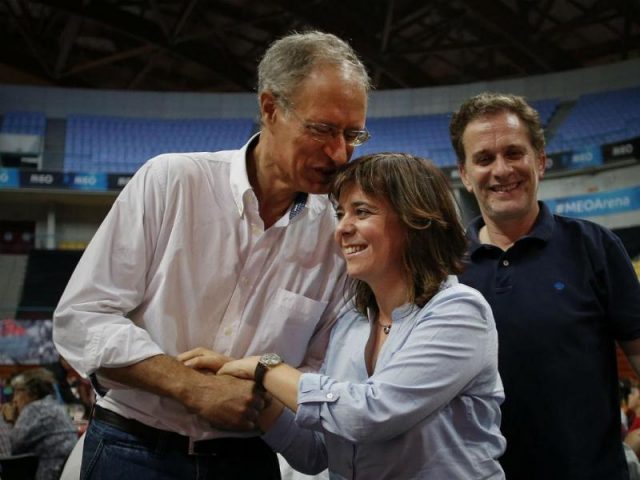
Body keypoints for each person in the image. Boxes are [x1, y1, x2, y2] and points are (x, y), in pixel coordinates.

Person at [53, 30, 371, 479]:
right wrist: (191, 387)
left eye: (353, 134)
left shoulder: (337, 236)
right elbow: (82, 318)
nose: (340, 153)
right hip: (132, 447)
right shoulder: (172, 182)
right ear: (270, 108)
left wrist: (256, 387)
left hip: (246, 458)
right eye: (322, 130)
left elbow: (321, 369)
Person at [182, 153, 507, 479]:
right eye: (340, 214)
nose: (342, 229)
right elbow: (316, 453)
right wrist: (256, 394)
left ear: (415, 220)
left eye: (361, 212)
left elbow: (368, 415)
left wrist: (265, 367)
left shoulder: (459, 311)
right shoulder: (351, 322)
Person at [450, 92, 640, 479]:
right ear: (465, 175)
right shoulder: (444, 268)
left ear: (540, 161)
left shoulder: (595, 246)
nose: (501, 170)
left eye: (514, 153)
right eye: (484, 159)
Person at [1, 368, 77, 480]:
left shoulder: (33, 410)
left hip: (49, 473)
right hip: (67, 472)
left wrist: (9, 420)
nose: (14, 399)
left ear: (32, 392)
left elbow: (11, 450)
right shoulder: (54, 406)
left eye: (17, 392)